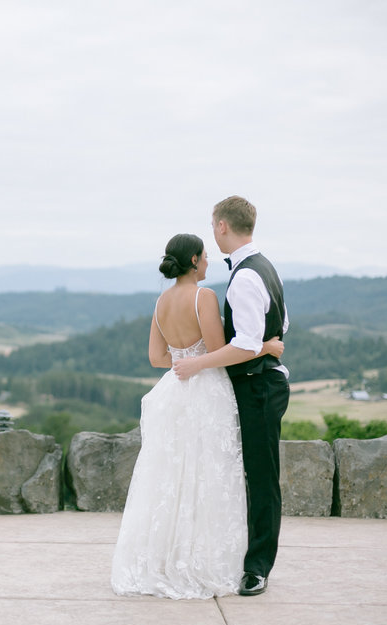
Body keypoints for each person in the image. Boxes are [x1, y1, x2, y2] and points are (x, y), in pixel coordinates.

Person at [110, 232, 283, 600]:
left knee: (173, 476)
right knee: (209, 477)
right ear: (193, 261)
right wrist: (265, 346)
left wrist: (183, 360)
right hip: (207, 392)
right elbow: (221, 351)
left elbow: (157, 358)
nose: (208, 262)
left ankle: (164, 560)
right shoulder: (203, 297)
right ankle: (204, 562)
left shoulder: (161, 302)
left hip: (174, 392)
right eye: (204, 257)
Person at [171, 196, 290, 597]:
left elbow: (245, 344)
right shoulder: (264, 268)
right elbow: (281, 324)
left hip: (258, 386)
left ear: (222, 226)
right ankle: (242, 555)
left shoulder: (246, 277)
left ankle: (257, 568)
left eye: (212, 223)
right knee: (247, 474)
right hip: (256, 381)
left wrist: (199, 364)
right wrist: (268, 345)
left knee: (261, 477)